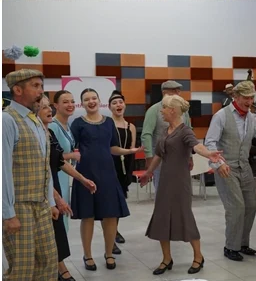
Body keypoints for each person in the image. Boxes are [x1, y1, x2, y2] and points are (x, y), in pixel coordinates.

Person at [139, 94, 222, 275]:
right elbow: (159, 155)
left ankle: (198, 257)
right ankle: (166, 259)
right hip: (165, 181)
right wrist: (149, 172)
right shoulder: (165, 131)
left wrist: (208, 154)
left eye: (164, 108)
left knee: (185, 217)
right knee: (161, 217)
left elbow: (195, 146)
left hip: (179, 181)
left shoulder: (185, 131)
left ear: (172, 110)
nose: (161, 111)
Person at [2, 70, 59, 281]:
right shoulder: (6, 120)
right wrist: (8, 213)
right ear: (18, 90)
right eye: (35, 86)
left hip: (42, 205)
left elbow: (44, 166)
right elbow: (2, 169)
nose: (40, 91)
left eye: (41, 86)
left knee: (48, 264)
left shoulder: (36, 122)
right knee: (22, 270)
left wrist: (52, 201)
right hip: (20, 207)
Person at [204, 81, 256, 262]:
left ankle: (242, 243)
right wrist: (218, 163)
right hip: (226, 166)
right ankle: (230, 246)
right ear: (236, 97)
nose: (250, 101)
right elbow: (210, 142)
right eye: (246, 98)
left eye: (252, 98)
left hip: (244, 165)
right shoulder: (221, 116)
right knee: (236, 207)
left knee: (251, 205)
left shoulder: (251, 118)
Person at [70, 88, 134, 271]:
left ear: (99, 100)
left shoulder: (108, 123)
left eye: (94, 98)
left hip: (108, 174)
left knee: (110, 214)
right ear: (81, 104)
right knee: (88, 216)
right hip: (86, 174)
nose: (91, 101)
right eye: (86, 99)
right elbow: (72, 147)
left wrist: (129, 151)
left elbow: (113, 147)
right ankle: (88, 255)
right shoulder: (77, 124)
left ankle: (109, 253)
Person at [41, 95, 95, 281]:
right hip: (46, 185)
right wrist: (57, 198)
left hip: (57, 180)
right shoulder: (48, 128)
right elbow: (50, 164)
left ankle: (56, 270)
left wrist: (82, 179)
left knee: (59, 229)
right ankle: (57, 271)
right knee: (52, 230)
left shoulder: (54, 130)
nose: (70, 105)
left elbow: (59, 160)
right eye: (44, 106)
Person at [48, 90, 86, 281]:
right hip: (56, 177)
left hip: (65, 176)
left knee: (63, 222)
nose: (70, 105)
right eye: (65, 102)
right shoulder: (52, 125)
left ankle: (56, 264)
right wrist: (72, 156)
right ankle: (60, 266)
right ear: (55, 105)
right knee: (57, 222)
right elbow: (56, 155)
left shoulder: (67, 125)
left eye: (72, 101)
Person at [140, 80, 193, 192]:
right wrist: (149, 157)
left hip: (180, 158)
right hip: (160, 159)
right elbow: (146, 134)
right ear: (165, 93)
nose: (178, 94)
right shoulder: (154, 110)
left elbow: (189, 133)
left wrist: (190, 156)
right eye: (174, 91)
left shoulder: (184, 111)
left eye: (179, 91)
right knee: (163, 191)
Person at [108, 92, 136, 249]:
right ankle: (110, 239)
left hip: (124, 168)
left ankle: (115, 230)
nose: (118, 105)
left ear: (124, 105)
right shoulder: (106, 123)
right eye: (114, 103)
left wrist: (129, 172)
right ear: (109, 107)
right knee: (111, 204)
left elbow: (131, 148)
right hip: (110, 166)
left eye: (120, 102)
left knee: (119, 203)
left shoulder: (130, 126)